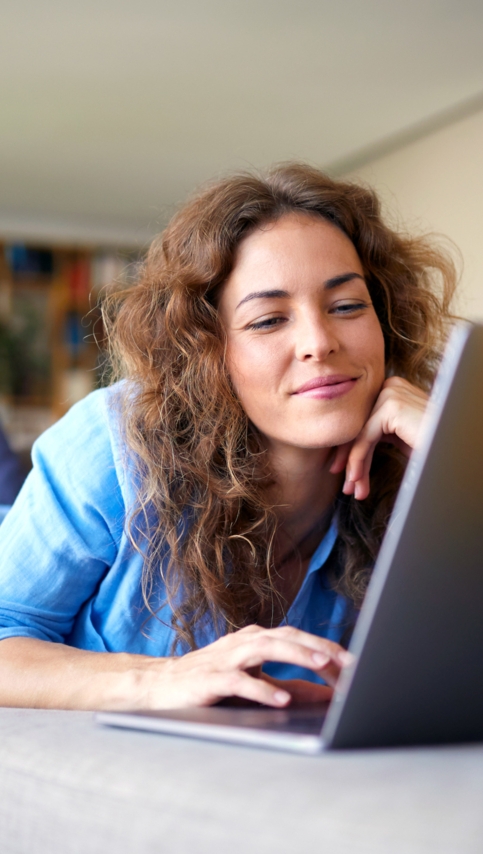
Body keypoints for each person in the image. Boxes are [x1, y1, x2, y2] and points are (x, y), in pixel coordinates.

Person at [0, 164, 455, 711]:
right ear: (210, 353)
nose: (319, 341)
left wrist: (459, 456)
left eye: (347, 306)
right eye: (267, 320)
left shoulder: (423, 466)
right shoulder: (112, 442)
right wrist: (161, 680)